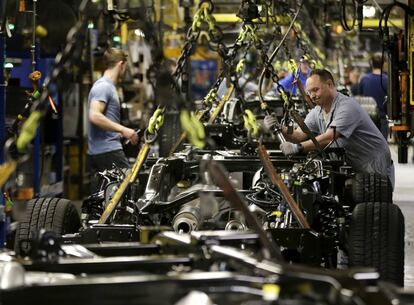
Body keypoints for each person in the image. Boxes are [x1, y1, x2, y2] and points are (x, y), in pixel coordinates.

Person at [264, 69, 394, 187]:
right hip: (356, 170)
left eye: (316, 90)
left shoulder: (346, 107)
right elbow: (299, 135)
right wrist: (281, 128)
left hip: (375, 167)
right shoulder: (318, 111)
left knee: (374, 212)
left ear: (330, 84)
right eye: (309, 92)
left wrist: (298, 148)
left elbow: (330, 137)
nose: (312, 95)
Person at [88, 48, 139, 191]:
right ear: (121, 64)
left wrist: (120, 132)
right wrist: (123, 130)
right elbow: (94, 115)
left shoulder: (108, 87)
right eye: (125, 67)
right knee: (129, 189)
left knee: (102, 199)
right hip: (108, 152)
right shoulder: (104, 87)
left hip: (101, 151)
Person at [358, 53, 389, 138]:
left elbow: (360, 99)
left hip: (367, 119)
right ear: (383, 64)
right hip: (382, 118)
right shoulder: (387, 80)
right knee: (382, 146)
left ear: (371, 63)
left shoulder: (364, 79)